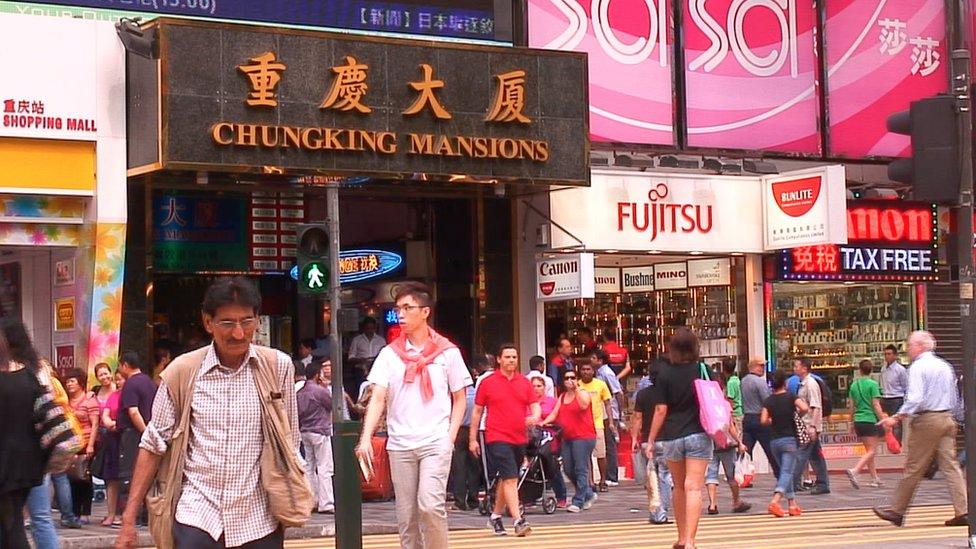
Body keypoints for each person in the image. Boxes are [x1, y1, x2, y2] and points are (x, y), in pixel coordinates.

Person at [115, 276, 299, 549]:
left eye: (246, 321)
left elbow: (290, 439)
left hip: (258, 519)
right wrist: (129, 519)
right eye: (227, 323)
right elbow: (153, 444)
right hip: (197, 518)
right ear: (208, 322)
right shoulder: (182, 372)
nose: (238, 333)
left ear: (257, 320)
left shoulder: (277, 367)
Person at [356, 282, 471, 549]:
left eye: (408, 308)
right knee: (406, 517)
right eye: (398, 309)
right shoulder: (389, 355)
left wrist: (449, 437)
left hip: (434, 442)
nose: (401, 314)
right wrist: (365, 439)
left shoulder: (447, 353)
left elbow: (460, 398)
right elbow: (378, 397)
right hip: (400, 445)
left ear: (425, 312)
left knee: (430, 506)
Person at [874, 331, 969, 528]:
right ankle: (964, 510)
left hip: (927, 419)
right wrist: (956, 418)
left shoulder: (918, 367)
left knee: (914, 466)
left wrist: (897, 417)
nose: (907, 350)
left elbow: (915, 398)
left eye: (910, 345)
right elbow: (954, 396)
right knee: (951, 466)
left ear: (920, 346)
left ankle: (897, 510)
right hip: (947, 417)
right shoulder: (945, 366)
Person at [646, 329, 713, 549]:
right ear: (695, 347)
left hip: (672, 436)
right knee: (693, 486)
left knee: (679, 487)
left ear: (672, 348)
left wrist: (651, 439)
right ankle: (691, 542)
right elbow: (716, 401)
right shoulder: (703, 370)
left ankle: (682, 537)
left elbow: (660, 410)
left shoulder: (665, 374)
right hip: (699, 434)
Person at [469, 344, 540, 537]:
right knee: (510, 477)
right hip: (496, 435)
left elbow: (535, 405)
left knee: (507, 477)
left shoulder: (524, 382)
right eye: (507, 357)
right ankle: (518, 520)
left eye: (514, 357)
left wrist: (534, 416)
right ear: (498, 359)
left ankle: (495, 517)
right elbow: (476, 412)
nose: (511, 360)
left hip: (519, 437)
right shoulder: (488, 382)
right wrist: (472, 439)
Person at [0, 319, 47, 548]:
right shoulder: (29, 376)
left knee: (12, 527)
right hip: (27, 463)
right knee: (13, 521)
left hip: (5, 465)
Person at [540, 369, 596, 513]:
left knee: (580, 468)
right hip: (568, 437)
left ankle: (578, 501)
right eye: (566, 378)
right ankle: (588, 493)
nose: (569, 380)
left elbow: (584, 405)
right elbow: (554, 413)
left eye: (572, 377)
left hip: (583, 437)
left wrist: (576, 388)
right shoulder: (563, 396)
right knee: (568, 468)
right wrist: (542, 422)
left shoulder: (583, 393)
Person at [116, 350, 156, 529]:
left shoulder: (131, 383)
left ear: (125, 365)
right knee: (148, 474)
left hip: (134, 434)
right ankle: (147, 516)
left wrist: (145, 432)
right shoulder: (150, 382)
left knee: (129, 474)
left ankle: (133, 517)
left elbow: (133, 411)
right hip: (149, 432)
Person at [761, 369, 808, 518]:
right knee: (787, 472)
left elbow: (763, 420)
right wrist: (795, 416)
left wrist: (773, 420)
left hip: (774, 441)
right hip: (789, 439)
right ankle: (775, 501)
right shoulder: (790, 396)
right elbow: (804, 408)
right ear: (785, 382)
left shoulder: (768, 400)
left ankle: (792, 504)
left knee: (784, 472)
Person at [631, 359, 672, 525]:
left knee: (651, 477)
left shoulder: (643, 394)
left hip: (646, 441)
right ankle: (660, 512)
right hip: (666, 439)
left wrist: (634, 438)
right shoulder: (670, 394)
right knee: (664, 476)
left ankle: (654, 509)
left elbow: (637, 418)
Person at [64, 367, 100, 525]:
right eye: (68, 382)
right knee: (72, 478)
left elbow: (95, 424)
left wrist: (91, 444)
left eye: (72, 381)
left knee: (84, 477)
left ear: (80, 383)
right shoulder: (66, 401)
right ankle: (74, 511)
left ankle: (85, 512)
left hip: (86, 443)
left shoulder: (89, 400)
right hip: (70, 443)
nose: (69, 384)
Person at [297, 360, 334, 514]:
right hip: (320, 431)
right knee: (324, 468)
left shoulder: (300, 393)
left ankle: (312, 500)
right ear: (317, 374)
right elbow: (332, 405)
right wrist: (325, 387)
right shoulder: (320, 391)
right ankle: (326, 503)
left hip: (305, 431)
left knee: (309, 468)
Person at [790, 358, 830, 495]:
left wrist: (812, 426)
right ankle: (823, 484)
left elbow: (816, 406)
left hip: (809, 425)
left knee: (801, 455)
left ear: (804, 368)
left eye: (797, 365)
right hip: (807, 424)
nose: (794, 368)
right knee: (816, 456)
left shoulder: (811, 384)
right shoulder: (803, 383)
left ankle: (792, 484)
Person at [846, 360, 887, 489]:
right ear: (871, 370)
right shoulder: (873, 384)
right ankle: (855, 470)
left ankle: (874, 478)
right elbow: (876, 404)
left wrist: (850, 422)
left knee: (869, 451)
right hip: (869, 420)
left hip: (858, 420)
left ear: (860, 370)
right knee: (872, 450)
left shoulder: (854, 385)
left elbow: (851, 406)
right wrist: (883, 420)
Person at [704, 412, 750, 515]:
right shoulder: (724, 408)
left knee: (711, 475)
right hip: (727, 446)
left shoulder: (706, 408)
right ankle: (736, 502)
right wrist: (739, 442)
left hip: (711, 445)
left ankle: (712, 505)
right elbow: (731, 428)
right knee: (732, 476)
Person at [577, 361, 613, 492]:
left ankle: (603, 481)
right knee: (586, 456)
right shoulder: (577, 385)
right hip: (581, 425)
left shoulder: (601, 384)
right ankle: (590, 482)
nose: (586, 372)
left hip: (597, 424)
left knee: (601, 454)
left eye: (588, 369)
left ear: (593, 371)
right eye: (583, 369)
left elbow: (608, 403)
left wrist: (611, 421)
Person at [530, 375, 566, 507]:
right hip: (531, 440)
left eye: (539, 386)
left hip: (549, 439)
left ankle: (561, 496)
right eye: (533, 386)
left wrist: (545, 423)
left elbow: (559, 419)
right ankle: (530, 496)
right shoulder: (526, 403)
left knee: (552, 468)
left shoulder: (552, 402)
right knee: (531, 469)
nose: (536, 389)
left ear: (544, 388)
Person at [740, 358, 779, 478]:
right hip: (760, 418)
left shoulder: (743, 381)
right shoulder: (760, 382)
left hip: (747, 418)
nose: (763, 368)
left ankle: (742, 475)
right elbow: (767, 401)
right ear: (753, 367)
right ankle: (780, 475)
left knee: (746, 450)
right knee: (770, 449)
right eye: (761, 366)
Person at [592, 349, 625, 487]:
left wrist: (619, 412)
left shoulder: (607, 373)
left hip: (611, 411)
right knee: (606, 443)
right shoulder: (599, 373)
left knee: (610, 444)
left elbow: (618, 392)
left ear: (600, 360)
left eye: (593, 357)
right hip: (603, 412)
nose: (591, 360)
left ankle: (612, 476)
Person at [98, 369, 126, 528]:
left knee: (126, 477)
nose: (120, 382)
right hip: (112, 439)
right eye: (118, 379)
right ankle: (111, 514)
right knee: (111, 478)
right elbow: (106, 414)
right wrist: (110, 423)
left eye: (122, 379)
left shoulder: (130, 395)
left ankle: (124, 514)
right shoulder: (113, 395)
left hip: (126, 439)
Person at [450, 367, 480, 511]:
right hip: (474, 430)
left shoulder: (454, 396)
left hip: (458, 430)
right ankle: (474, 499)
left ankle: (460, 500)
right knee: (474, 466)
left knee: (459, 466)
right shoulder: (476, 394)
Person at [880, 344, 908, 442]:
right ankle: (889, 442)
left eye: (889, 354)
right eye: (885, 354)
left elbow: (905, 386)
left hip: (896, 398)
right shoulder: (883, 368)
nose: (887, 356)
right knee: (885, 422)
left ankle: (897, 443)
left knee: (896, 423)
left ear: (895, 355)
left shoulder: (900, 370)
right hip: (885, 397)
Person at [723, 359, 743, 435]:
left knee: (736, 437)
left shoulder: (730, 383)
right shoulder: (737, 380)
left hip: (734, 414)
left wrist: (728, 416)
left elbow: (730, 401)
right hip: (739, 412)